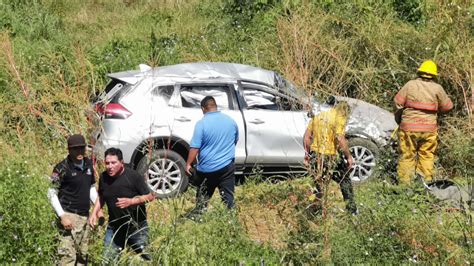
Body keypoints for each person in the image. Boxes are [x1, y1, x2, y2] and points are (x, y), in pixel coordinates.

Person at [89, 147, 154, 262]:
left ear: (122, 163)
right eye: (107, 163)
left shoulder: (134, 177)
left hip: (136, 226)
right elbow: (101, 197)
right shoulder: (103, 177)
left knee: (147, 258)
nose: (110, 166)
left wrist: (131, 201)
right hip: (115, 226)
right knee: (108, 259)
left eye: (113, 163)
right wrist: (94, 213)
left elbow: (150, 196)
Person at [394, 60, 453, 186]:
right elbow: (448, 106)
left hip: (408, 127)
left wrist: (399, 118)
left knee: (407, 155)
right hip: (429, 129)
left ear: (420, 72)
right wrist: (437, 111)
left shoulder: (410, 85)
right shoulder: (437, 88)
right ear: (434, 75)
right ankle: (425, 184)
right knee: (426, 155)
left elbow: (398, 102)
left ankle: (405, 186)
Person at [47, 134, 102, 265]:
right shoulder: (61, 168)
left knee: (83, 256)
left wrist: (97, 208)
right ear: (69, 150)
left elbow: (91, 188)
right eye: (75, 149)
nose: (79, 152)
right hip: (69, 216)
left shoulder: (88, 164)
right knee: (67, 258)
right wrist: (62, 216)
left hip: (86, 217)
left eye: (82, 148)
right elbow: (51, 193)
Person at [185, 96, 239, 214]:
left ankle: (199, 216)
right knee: (228, 198)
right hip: (227, 167)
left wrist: (188, 164)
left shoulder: (201, 124)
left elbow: (195, 148)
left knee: (202, 198)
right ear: (215, 106)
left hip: (207, 169)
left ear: (203, 109)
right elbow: (234, 140)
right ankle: (232, 220)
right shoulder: (230, 121)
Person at [303, 97, 357, 215]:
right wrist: (348, 156)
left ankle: (314, 211)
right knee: (345, 181)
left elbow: (307, 137)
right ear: (345, 112)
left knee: (318, 184)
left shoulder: (318, 116)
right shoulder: (340, 118)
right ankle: (352, 211)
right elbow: (339, 137)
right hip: (330, 156)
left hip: (315, 155)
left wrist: (307, 154)